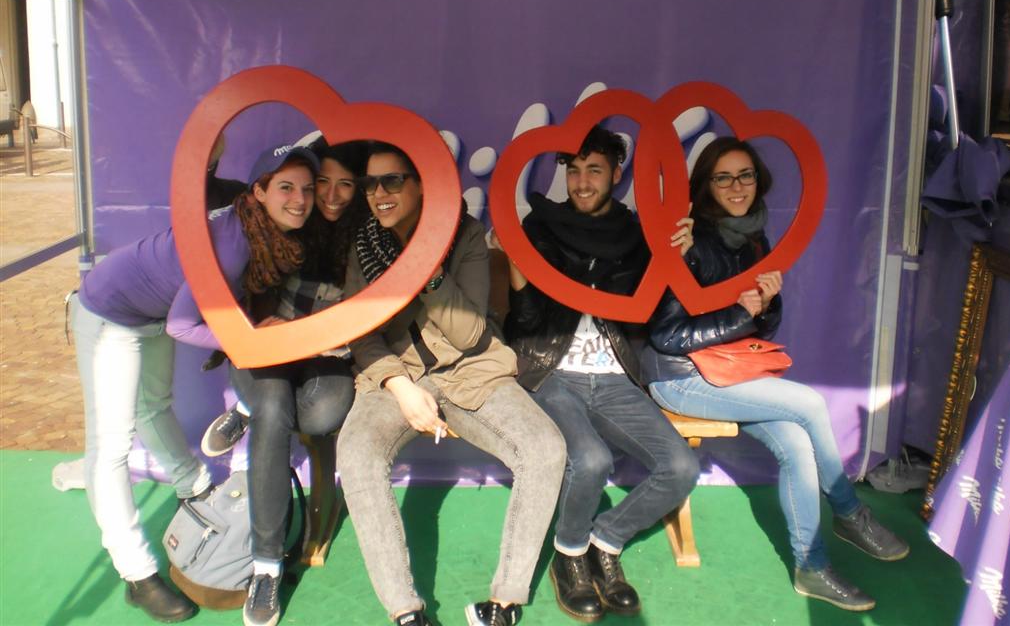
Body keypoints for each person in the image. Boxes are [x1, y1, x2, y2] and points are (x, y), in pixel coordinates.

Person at [642, 136, 909, 612]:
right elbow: (665, 335)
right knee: (810, 403)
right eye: (723, 178)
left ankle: (812, 566)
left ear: (758, 180)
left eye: (744, 175)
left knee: (798, 445)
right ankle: (850, 513)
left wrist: (764, 305)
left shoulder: (755, 239)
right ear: (706, 186)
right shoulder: (688, 240)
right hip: (679, 376)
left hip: (729, 371)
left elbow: (758, 326)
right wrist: (740, 314)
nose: (736, 186)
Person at [70, 142, 318, 623]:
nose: (300, 199)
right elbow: (183, 326)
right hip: (109, 312)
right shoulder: (234, 243)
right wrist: (251, 339)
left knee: (154, 406)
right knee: (111, 444)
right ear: (259, 192)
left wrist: (251, 330)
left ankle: (194, 487)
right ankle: (136, 574)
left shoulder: (257, 227)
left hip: (148, 311)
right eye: (286, 187)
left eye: (307, 189)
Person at [336, 142, 567, 626]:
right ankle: (405, 612)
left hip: (470, 370)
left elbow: (469, 334)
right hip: (396, 375)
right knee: (356, 453)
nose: (379, 193)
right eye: (370, 184)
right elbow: (361, 333)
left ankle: (505, 601)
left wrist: (426, 270)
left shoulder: (465, 234)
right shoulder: (364, 246)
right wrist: (399, 386)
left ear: (422, 184)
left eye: (392, 180)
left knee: (545, 448)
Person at [503, 125, 700, 622]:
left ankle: (605, 541)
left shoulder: (639, 235)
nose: (582, 182)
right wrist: (518, 275)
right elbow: (525, 326)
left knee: (680, 468)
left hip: (614, 375)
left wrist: (675, 260)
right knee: (590, 460)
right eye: (574, 170)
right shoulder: (540, 227)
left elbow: (650, 318)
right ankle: (569, 554)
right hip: (552, 370)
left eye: (594, 170)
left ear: (616, 174)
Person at [180, 140, 368, 626]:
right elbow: (209, 192)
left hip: (325, 355)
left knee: (320, 416)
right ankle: (266, 566)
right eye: (319, 182)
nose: (326, 195)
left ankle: (248, 410)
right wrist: (210, 153)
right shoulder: (275, 213)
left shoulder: (367, 232)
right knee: (272, 409)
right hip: (267, 345)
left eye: (344, 184)